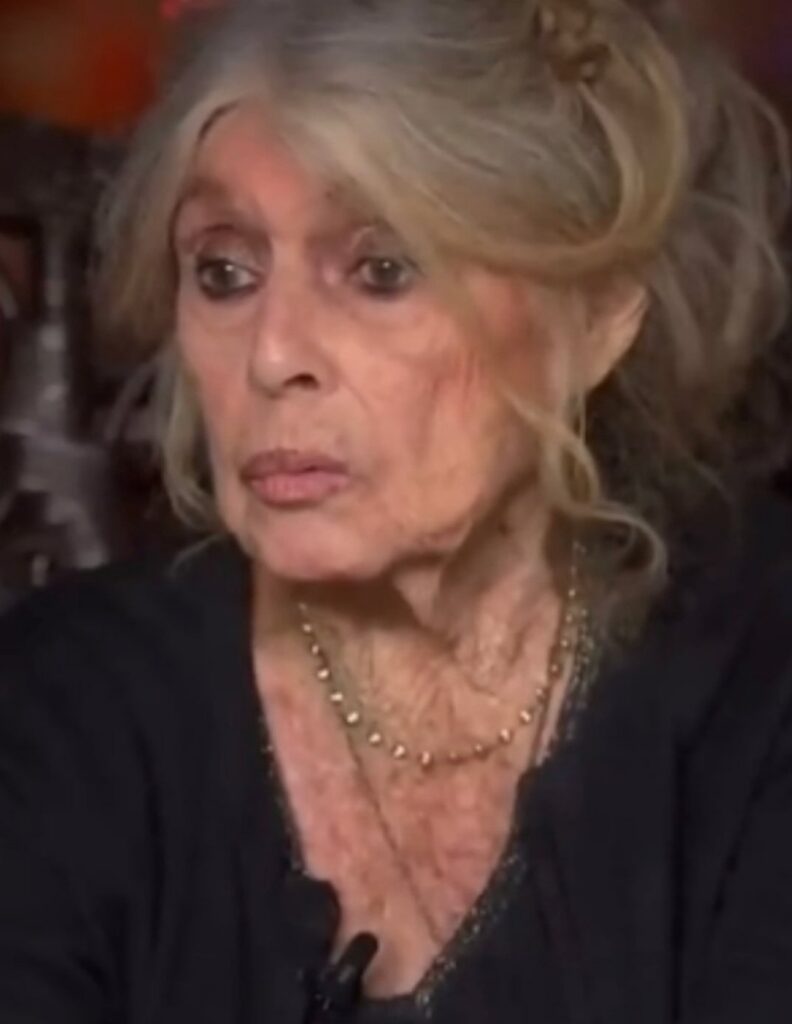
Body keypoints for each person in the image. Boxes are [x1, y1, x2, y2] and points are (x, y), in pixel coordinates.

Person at [1, 0, 791, 1020]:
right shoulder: (63, 709)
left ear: (596, 314)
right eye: (225, 272)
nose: (273, 354)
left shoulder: (756, 684)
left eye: (381, 270)